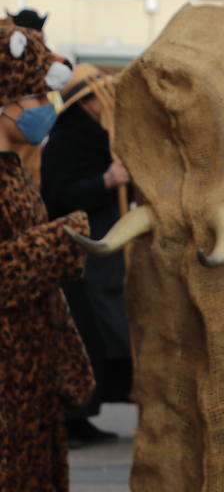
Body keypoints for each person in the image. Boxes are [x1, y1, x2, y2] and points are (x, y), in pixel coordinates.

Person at [0, 20, 105, 492]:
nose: (43, 107)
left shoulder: (14, 167)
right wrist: (59, 241)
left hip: (30, 379)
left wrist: (68, 364)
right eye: (33, 95)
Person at [41, 64, 133, 448]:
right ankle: (70, 417)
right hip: (81, 253)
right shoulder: (66, 139)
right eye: (100, 95)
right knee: (85, 332)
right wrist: (105, 182)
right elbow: (59, 194)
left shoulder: (103, 136)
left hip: (105, 248)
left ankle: (86, 415)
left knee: (106, 331)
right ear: (86, 100)